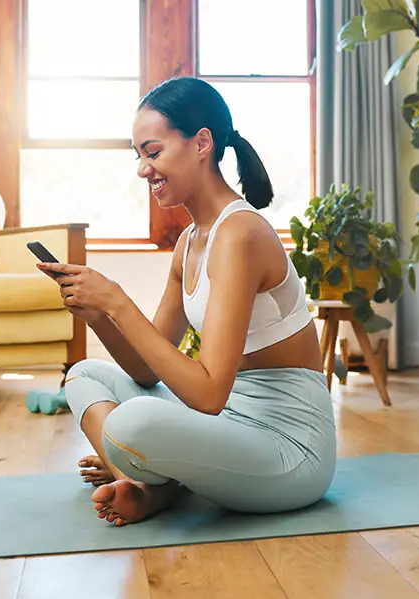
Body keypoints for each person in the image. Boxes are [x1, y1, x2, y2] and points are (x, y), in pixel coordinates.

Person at [37, 76, 336, 527]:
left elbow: (209, 394)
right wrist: (98, 316)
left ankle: (153, 479)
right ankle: (143, 485)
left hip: (289, 449)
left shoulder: (241, 235)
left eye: (153, 152)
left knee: (130, 425)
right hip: (229, 425)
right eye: (139, 156)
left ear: (201, 144)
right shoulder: (190, 242)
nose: (143, 170)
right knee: (84, 374)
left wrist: (118, 302)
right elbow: (145, 371)